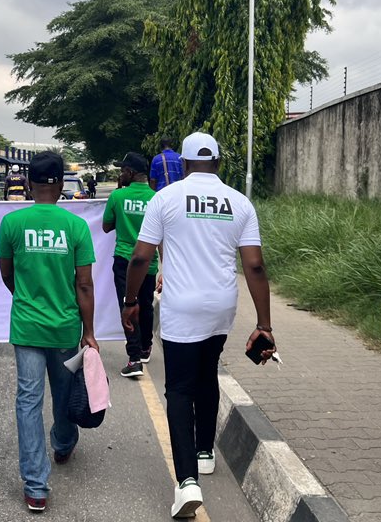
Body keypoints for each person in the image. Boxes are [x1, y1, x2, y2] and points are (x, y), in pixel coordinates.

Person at [123, 132, 274, 519]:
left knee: (179, 388)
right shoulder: (240, 203)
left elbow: (140, 258)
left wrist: (130, 301)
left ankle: (187, 482)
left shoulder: (165, 198)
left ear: (185, 164)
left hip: (181, 306)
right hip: (221, 306)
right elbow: (254, 266)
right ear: (219, 163)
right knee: (208, 374)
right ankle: (205, 452)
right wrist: (265, 323)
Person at [0, 151, 99, 513]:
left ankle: (36, 487)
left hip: (26, 326)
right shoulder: (75, 227)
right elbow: (84, 285)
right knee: (64, 390)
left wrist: (24, 299)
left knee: (28, 400)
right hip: (65, 326)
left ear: (28, 184)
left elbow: (6, 273)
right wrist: (89, 331)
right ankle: (63, 441)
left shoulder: (13, 223)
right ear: (59, 184)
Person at [102, 152, 157, 378]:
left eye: (123, 170)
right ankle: (145, 347)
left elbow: (106, 227)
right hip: (150, 262)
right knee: (145, 303)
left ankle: (134, 359)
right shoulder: (157, 198)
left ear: (131, 173)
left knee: (128, 305)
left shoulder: (117, 197)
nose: (120, 173)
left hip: (125, 260)